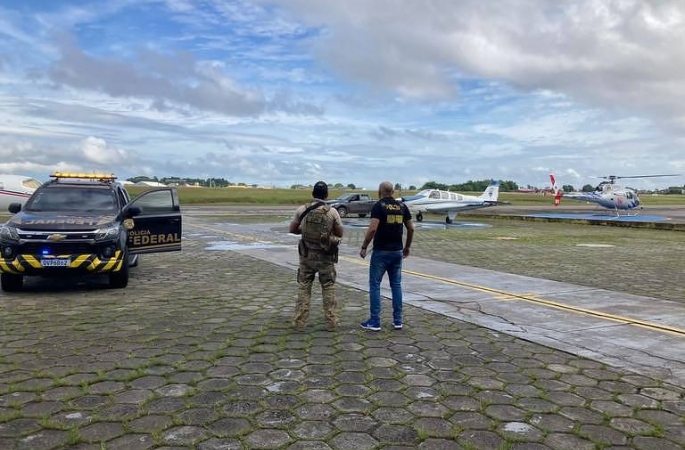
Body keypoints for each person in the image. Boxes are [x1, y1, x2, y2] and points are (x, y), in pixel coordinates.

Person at [359, 181, 414, 331]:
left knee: (375, 285)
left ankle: (375, 321)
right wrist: (407, 246)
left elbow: (372, 230)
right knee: (396, 285)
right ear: (393, 192)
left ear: (380, 191)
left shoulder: (379, 206)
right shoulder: (402, 207)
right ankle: (398, 320)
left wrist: (364, 247)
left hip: (381, 252)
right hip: (397, 251)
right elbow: (411, 229)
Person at [289, 181, 344, 331]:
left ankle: (299, 322)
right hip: (325, 257)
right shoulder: (332, 212)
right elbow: (340, 233)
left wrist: (306, 232)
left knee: (304, 287)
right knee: (328, 287)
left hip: (306, 256)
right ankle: (332, 322)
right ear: (326, 195)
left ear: (313, 194)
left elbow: (293, 229)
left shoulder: (302, 210)